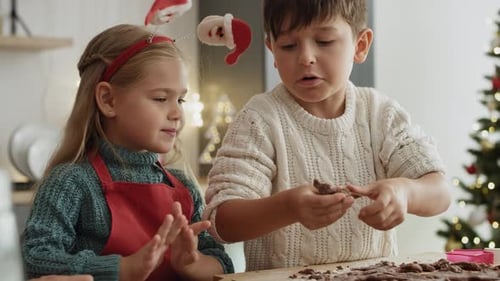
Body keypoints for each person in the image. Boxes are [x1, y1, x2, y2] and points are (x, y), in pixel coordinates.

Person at [203, 0, 451, 271]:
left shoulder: (381, 113)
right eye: (288, 46)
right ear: (272, 50)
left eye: (324, 41)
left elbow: (440, 192)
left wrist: (406, 192)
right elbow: (222, 222)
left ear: (360, 45)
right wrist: (288, 208)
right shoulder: (259, 119)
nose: (305, 57)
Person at [21, 24, 233, 281]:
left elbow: (221, 263)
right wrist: (123, 269)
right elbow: (37, 258)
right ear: (108, 100)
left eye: (180, 100)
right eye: (160, 98)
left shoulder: (185, 187)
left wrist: (192, 263)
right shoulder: (71, 182)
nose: (177, 113)